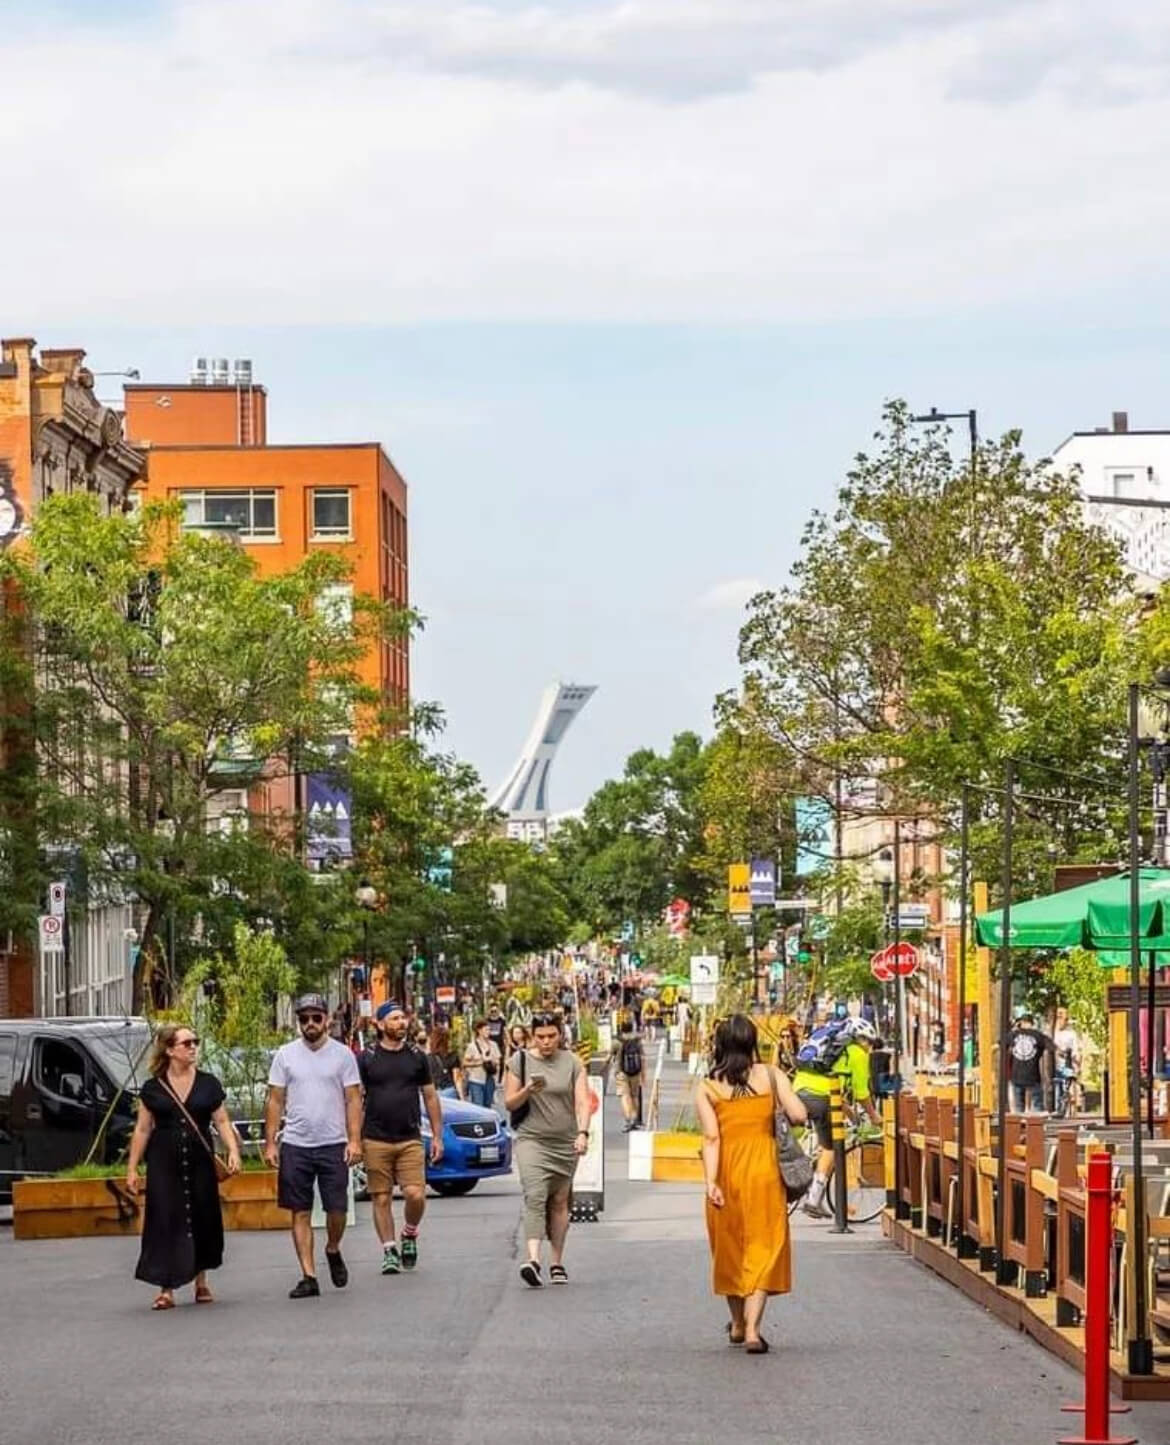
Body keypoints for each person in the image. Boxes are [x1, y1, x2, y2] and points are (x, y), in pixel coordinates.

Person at [696, 1013, 806, 1354]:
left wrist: (710, 1182)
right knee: (764, 1244)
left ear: (720, 1045)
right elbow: (800, 1114)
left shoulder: (708, 1086)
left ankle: (738, 1324)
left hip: (727, 1172)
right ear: (751, 1041)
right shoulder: (771, 1077)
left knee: (729, 1247)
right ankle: (754, 1330)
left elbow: (711, 1139)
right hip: (765, 1171)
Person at [126, 1023, 241, 1310]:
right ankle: (166, 1288)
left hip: (200, 1161)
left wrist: (233, 1150)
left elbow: (222, 1121)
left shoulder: (208, 1083)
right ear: (169, 1050)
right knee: (166, 1219)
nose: (193, 1048)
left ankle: (200, 1281)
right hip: (164, 1163)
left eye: (195, 1042)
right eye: (187, 1043)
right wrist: (132, 1168)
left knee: (201, 1214)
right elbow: (142, 1129)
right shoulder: (153, 1088)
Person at [264, 992, 363, 1299]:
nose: (310, 1024)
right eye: (304, 1019)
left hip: (333, 1142)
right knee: (300, 1210)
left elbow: (353, 1098)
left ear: (326, 1020)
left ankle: (333, 1248)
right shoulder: (285, 1055)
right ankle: (308, 1275)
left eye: (315, 1018)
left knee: (337, 1209)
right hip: (296, 1143)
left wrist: (355, 1139)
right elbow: (275, 1099)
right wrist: (270, 1143)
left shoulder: (343, 1055)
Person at [504, 1009, 592, 1287]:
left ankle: (556, 1261)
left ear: (560, 1034)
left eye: (552, 1035)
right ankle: (533, 1259)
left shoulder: (573, 1063)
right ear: (532, 1036)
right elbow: (510, 1103)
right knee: (535, 1195)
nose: (546, 1042)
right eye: (540, 1036)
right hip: (532, 1140)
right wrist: (528, 1090)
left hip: (565, 1141)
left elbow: (582, 1102)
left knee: (559, 1201)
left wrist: (583, 1132)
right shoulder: (519, 1061)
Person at [359, 1001, 444, 1275]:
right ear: (380, 1025)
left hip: (409, 1137)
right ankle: (388, 1249)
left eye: (402, 1018)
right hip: (375, 1138)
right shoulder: (367, 1058)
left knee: (415, 1194)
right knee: (381, 1198)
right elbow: (355, 1099)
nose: (401, 1023)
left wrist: (438, 1136)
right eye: (394, 1019)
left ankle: (409, 1233)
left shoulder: (417, 1057)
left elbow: (430, 1096)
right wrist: (352, 1138)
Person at [792, 1016, 882, 1220]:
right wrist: (874, 1116)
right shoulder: (857, 1054)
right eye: (868, 1042)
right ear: (860, 1039)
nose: (869, 1047)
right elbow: (862, 1093)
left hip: (799, 1092)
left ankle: (815, 1190)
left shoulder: (833, 1051)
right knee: (831, 1146)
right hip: (822, 1099)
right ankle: (813, 1199)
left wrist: (852, 1116)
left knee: (821, 1139)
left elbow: (835, 1091)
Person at [1008, 1010, 1054, 1114]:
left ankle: (1019, 1127)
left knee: (1019, 1108)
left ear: (1022, 1023)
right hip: (1033, 1075)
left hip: (1017, 1075)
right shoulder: (1038, 1035)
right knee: (1038, 1107)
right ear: (1032, 1023)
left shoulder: (1014, 1034)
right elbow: (1052, 1047)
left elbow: (999, 1045)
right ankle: (1039, 1126)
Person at [612, 1016, 644, 1133]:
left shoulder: (617, 1041)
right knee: (634, 1095)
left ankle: (628, 1119)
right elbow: (642, 1057)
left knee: (625, 1096)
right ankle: (635, 1118)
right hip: (635, 1071)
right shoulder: (637, 1040)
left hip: (621, 1072)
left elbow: (609, 1056)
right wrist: (643, 1074)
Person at [463, 1017, 502, 1109]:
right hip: (476, 1079)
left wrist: (493, 1061)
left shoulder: (494, 1045)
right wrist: (479, 1062)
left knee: (488, 1105)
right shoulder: (472, 1046)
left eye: (489, 1030)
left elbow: (498, 1060)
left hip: (490, 1078)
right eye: (486, 1030)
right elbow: (464, 1063)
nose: (488, 1032)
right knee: (478, 1105)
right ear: (479, 1031)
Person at [1051, 1007, 1082, 1114]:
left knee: (1066, 1087)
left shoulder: (1071, 1034)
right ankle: (1055, 1109)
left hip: (1066, 1065)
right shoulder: (1050, 1032)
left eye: (1062, 1016)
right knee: (1054, 1088)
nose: (1060, 1019)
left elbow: (1076, 1051)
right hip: (1052, 1065)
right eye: (1058, 1016)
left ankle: (1066, 1110)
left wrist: (1077, 1065)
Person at [426, 1022, 464, 1097]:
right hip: (449, 1091)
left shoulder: (428, 1058)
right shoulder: (452, 1056)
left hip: (434, 1093)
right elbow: (457, 1079)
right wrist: (462, 1097)